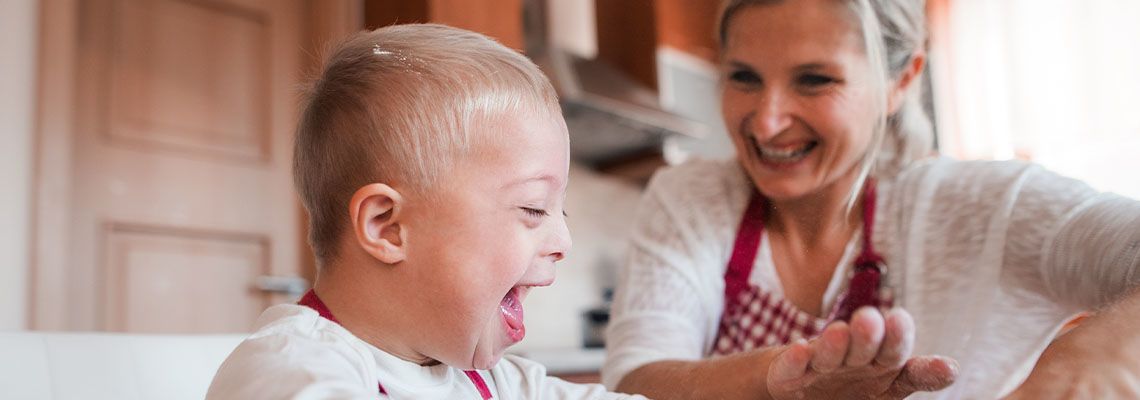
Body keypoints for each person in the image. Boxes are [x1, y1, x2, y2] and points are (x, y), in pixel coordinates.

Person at [602, 0, 1140, 399]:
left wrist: (1091, 357)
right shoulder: (690, 198)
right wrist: (784, 382)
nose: (766, 121)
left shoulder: (989, 205)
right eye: (743, 77)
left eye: (814, 80)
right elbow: (633, 381)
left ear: (901, 80)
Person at [206, 24, 645, 400]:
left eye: (559, 213)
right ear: (388, 226)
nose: (563, 243)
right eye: (533, 208)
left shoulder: (492, 382)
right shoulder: (293, 369)